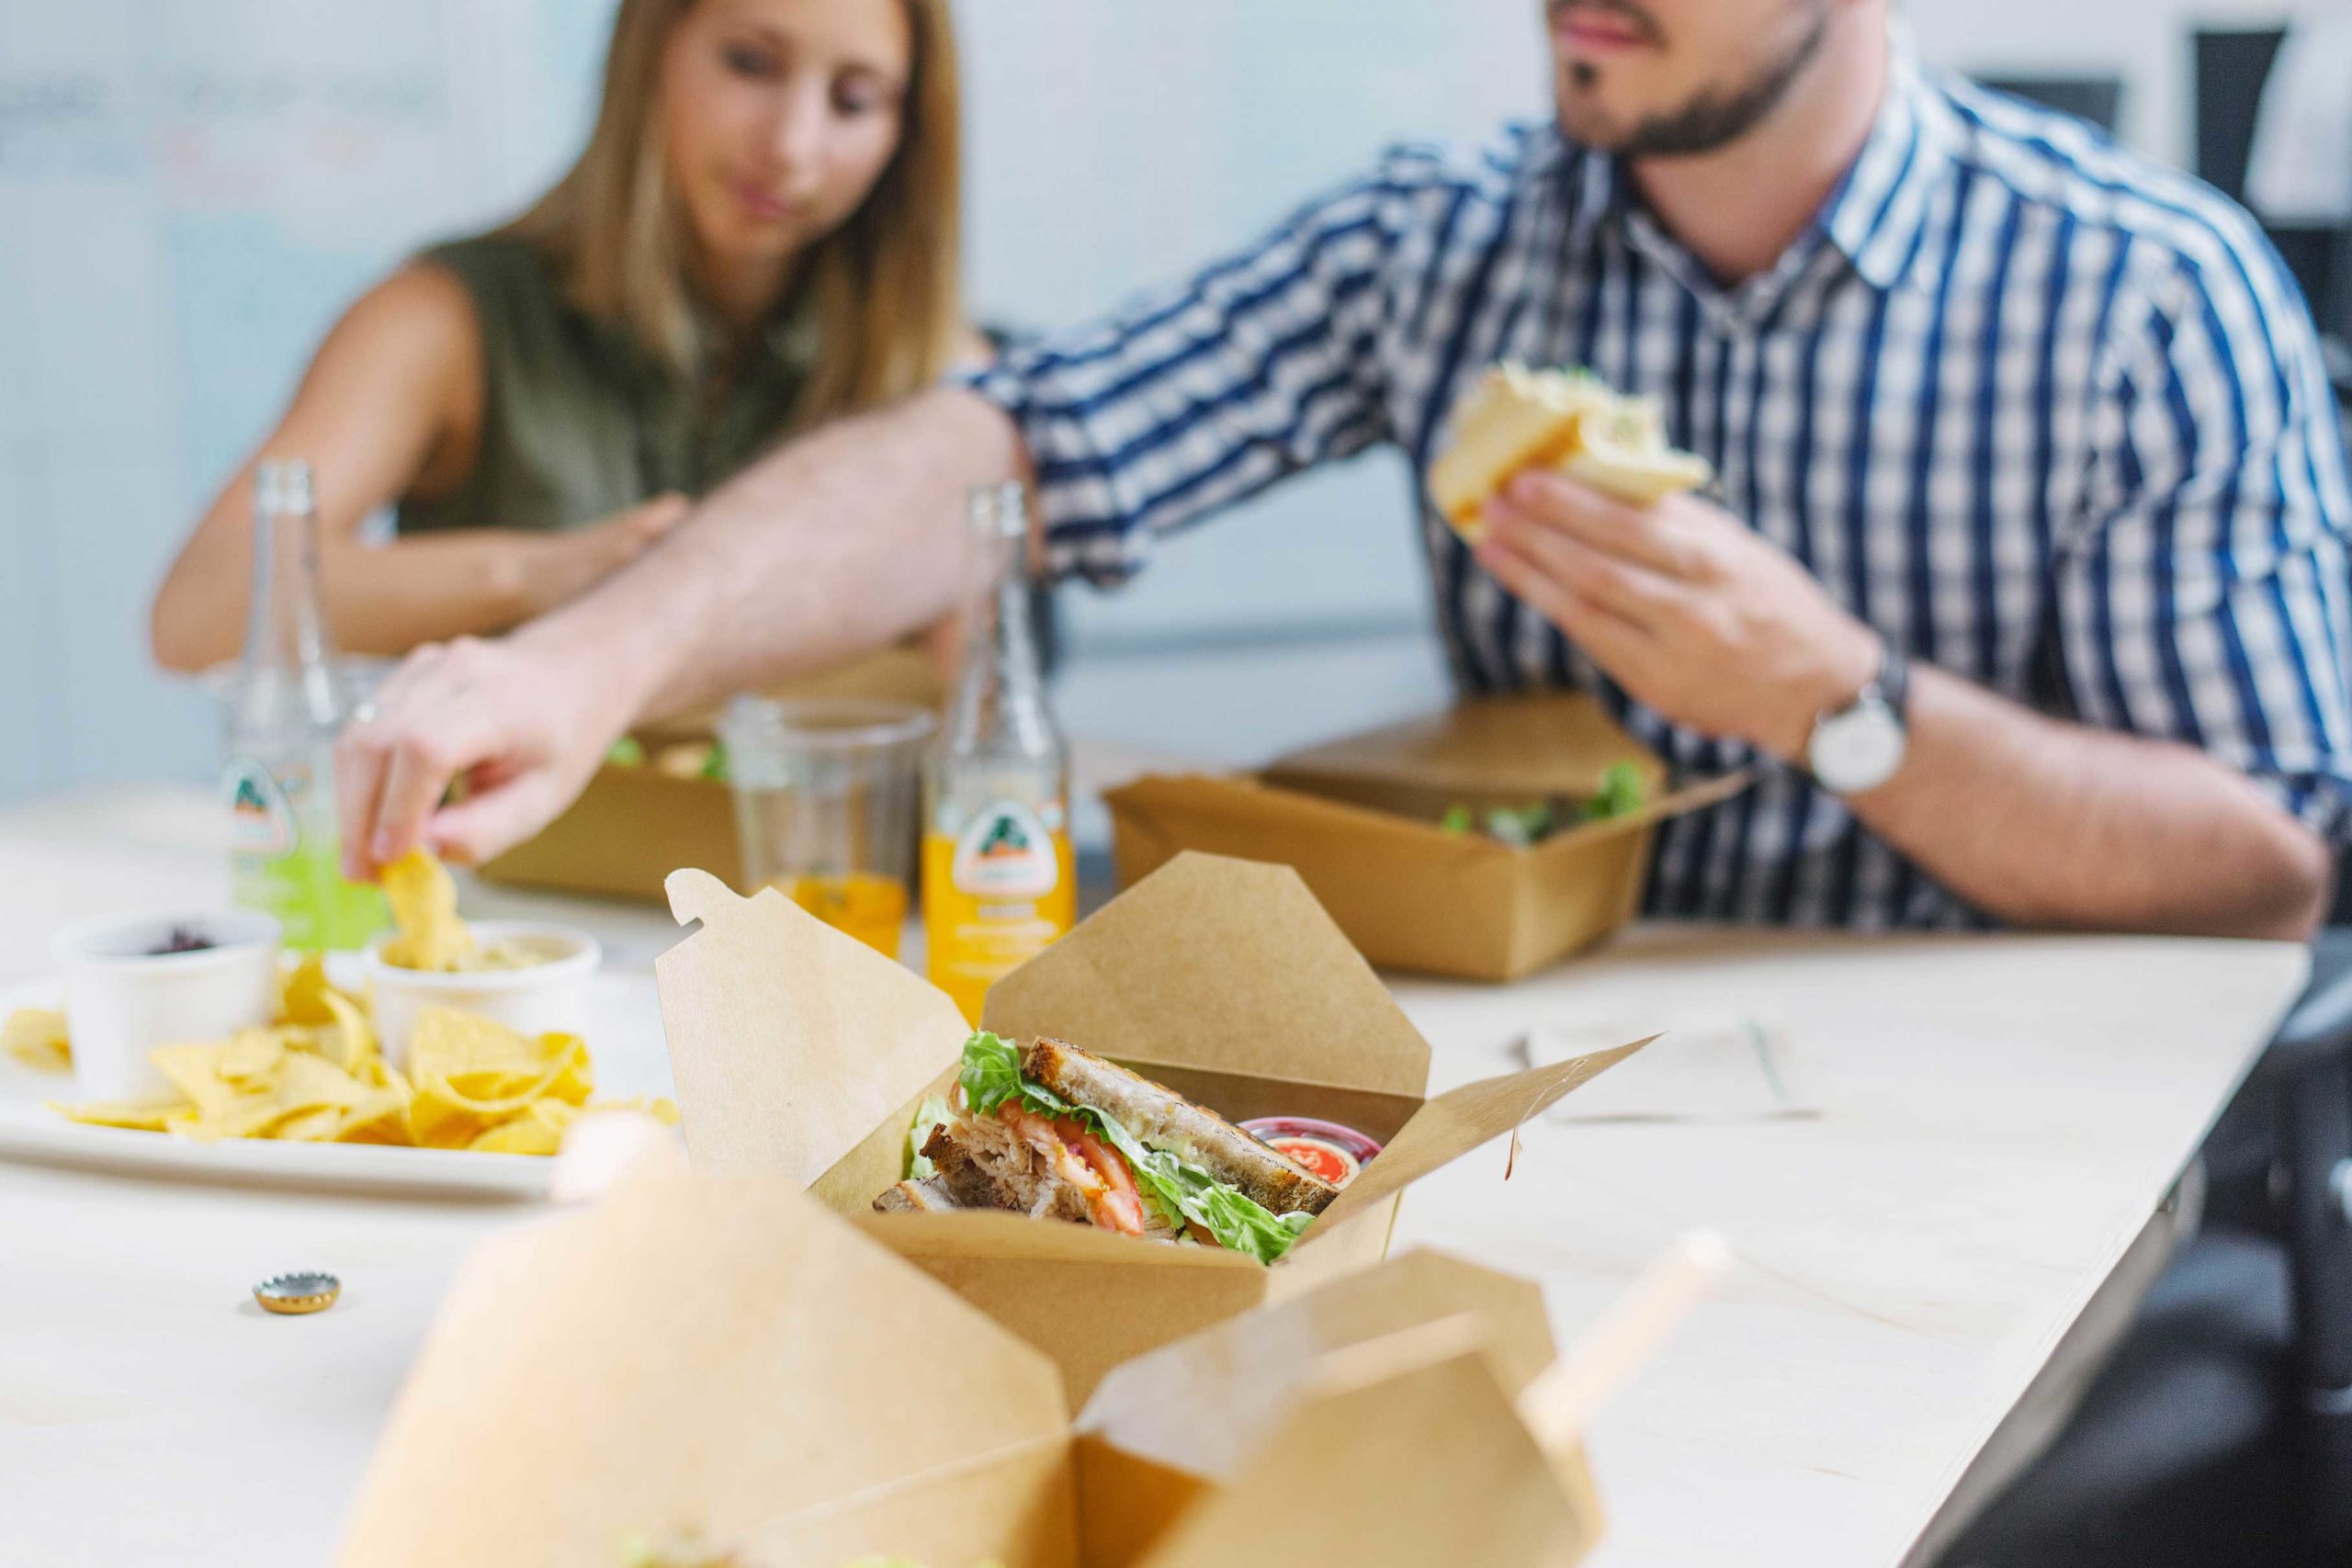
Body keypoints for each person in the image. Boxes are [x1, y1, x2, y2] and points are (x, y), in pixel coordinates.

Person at [339, 0, 2351, 945]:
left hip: (2010, 1103)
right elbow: (1005, 444)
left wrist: (1839, 708)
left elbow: (2266, 855)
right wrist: (584, 667)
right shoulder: (1441, 240)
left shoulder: (2144, 293)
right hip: (1561, 1043)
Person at [150, 0, 968, 671]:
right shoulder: (444, 318)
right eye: (750, 64)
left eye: (854, 101)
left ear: (907, 134)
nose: (792, 147)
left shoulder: (939, 369)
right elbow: (198, 608)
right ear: (652, 47)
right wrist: (539, 575)